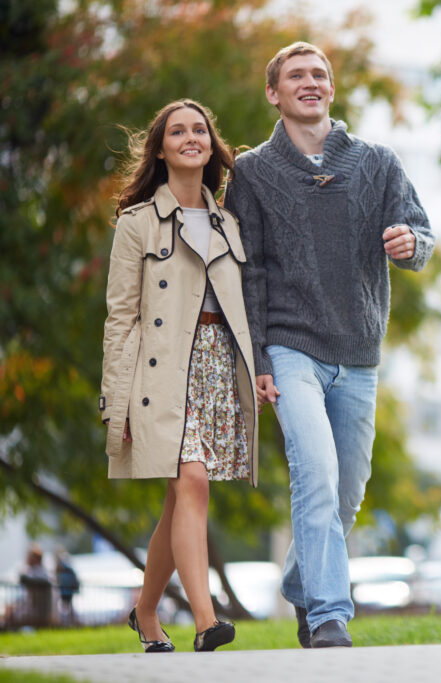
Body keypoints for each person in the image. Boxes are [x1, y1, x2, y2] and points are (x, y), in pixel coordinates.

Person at [224, 41, 433, 648]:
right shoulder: (254, 172)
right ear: (275, 93)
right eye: (296, 75)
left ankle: (302, 582)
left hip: (359, 351)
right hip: (290, 347)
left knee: (346, 492)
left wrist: (409, 244)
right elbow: (249, 273)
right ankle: (328, 617)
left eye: (319, 74)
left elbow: (420, 231)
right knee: (314, 474)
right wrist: (259, 358)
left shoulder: (377, 162)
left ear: (331, 89)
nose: (309, 82)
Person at [99, 99, 259, 653]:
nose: (191, 138)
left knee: (180, 499)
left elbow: (243, 310)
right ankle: (206, 621)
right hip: (159, 370)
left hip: (218, 365)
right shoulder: (136, 223)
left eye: (200, 130)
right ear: (161, 147)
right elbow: (121, 318)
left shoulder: (230, 222)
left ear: (213, 145)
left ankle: (145, 613)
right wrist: (114, 403)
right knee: (190, 482)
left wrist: (257, 373)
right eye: (178, 131)